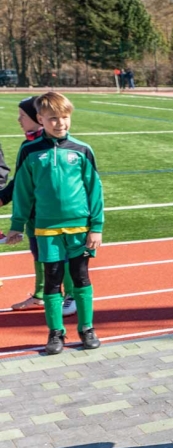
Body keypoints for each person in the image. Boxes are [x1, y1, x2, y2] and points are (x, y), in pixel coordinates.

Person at [5, 92, 102, 355]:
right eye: (53, 118)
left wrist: (97, 227)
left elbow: (94, 190)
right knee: (52, 281)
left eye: (64, 117)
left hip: (80, 229)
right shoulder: (30, 151)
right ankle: (56, 332)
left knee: (81, 279)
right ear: (40, 119)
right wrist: (16, 225)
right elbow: (22, 192)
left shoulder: (82, 150)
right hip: (46, 230)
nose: (60, 123)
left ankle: (87, 328)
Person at [1, 97, 77, 314]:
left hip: (55, 214)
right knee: (40, 254)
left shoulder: (63, 145)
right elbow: (21, 182)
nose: (18, 120)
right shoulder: (29, 145)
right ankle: (40, 294)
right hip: (34, 214)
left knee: (63, 255)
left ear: (38, 118)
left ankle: (70, 294)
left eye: (22, 116)